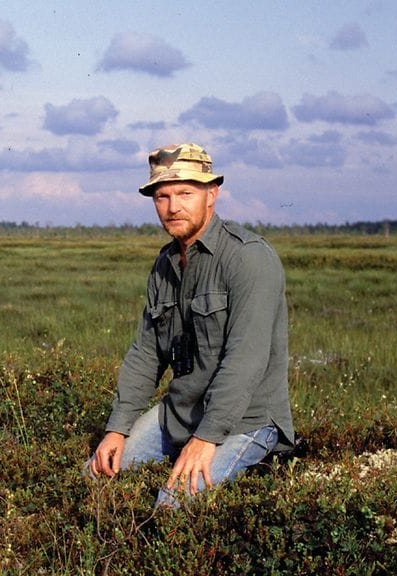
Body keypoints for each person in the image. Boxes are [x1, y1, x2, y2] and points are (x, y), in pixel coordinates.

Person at [86, 143, 295, 508]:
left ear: (211, 195)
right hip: (181, 412)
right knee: (94, 478)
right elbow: (145, 353)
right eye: (162, 196)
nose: (173, 207)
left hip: (246, 420)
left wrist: (205, 439)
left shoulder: (249, 258)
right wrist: (117, 428)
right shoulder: (165, 263)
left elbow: (245, 361)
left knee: (170, 506)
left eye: (185, 193)